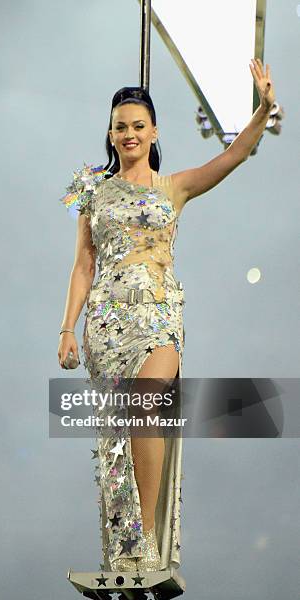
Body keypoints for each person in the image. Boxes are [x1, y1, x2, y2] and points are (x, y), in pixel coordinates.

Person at [58, 60, 275, 573]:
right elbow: (83, 264)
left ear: (154, 131)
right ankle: (127, 556)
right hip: (107, 327)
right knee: (116, 439)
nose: (129, 134)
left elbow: (235, 155)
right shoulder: (91, 190)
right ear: (110, 134)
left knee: (145, 407)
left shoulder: (174, 187)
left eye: (138, 125)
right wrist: (68, 328)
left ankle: (151, 544)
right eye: (120, 126)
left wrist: (264, 110)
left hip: (158, 318)